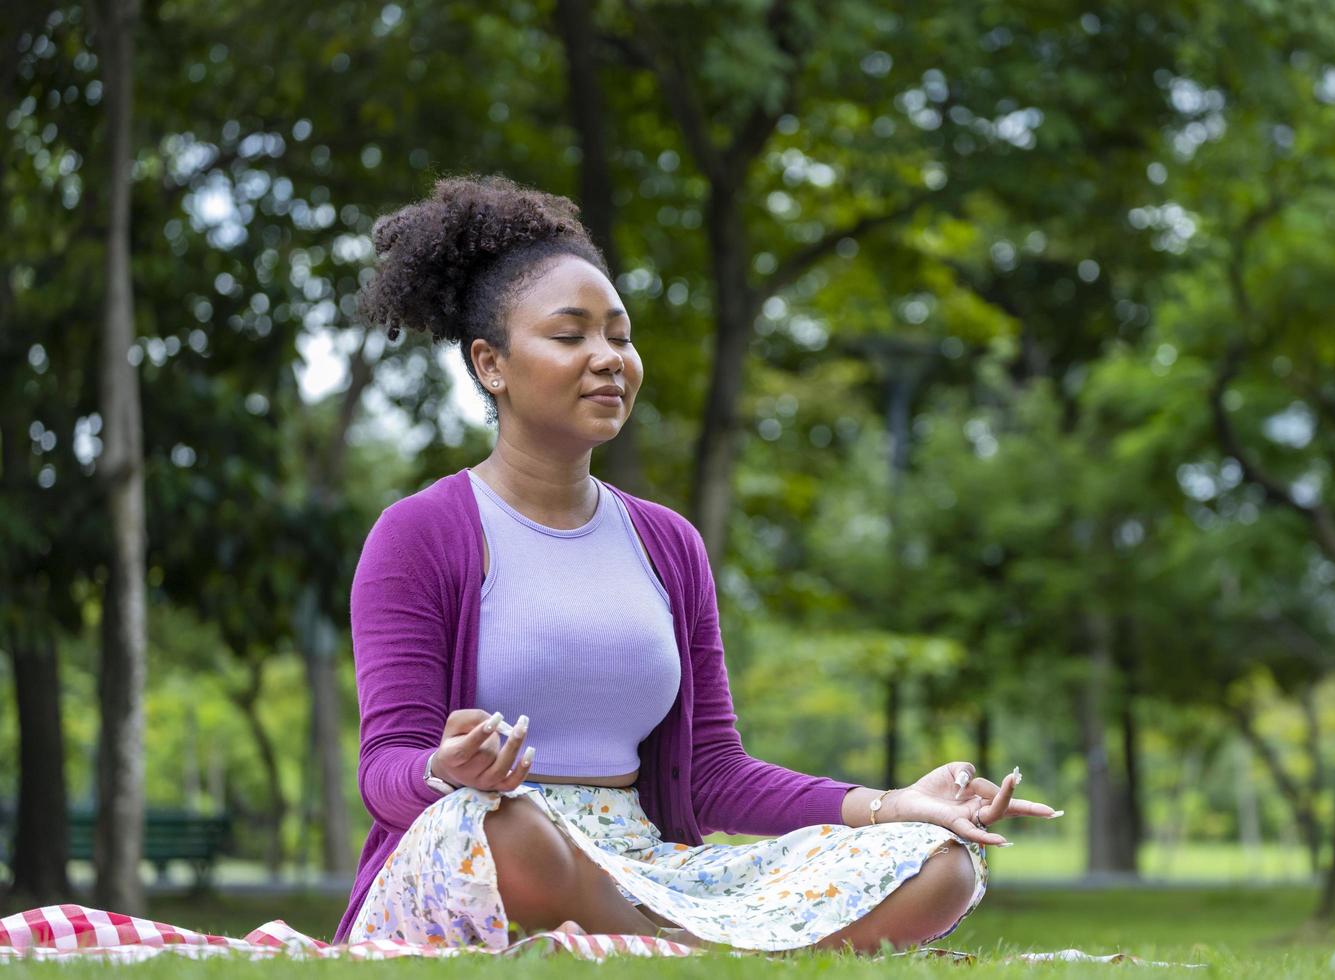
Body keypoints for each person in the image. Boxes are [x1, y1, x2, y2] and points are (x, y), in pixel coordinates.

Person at [335, 173, 1059, 954]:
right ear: (491, 364)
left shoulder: (667, 544)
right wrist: (445, 772)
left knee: (941, 865)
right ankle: (712, 958)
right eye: (570, 335)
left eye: (620, 334)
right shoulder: (420, 533)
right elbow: (384, 772)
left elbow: (716, 772)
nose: (609, 358)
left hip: (648, 867)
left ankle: (669, 951)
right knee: (508, 832)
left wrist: (892, 803)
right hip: (486, 850)